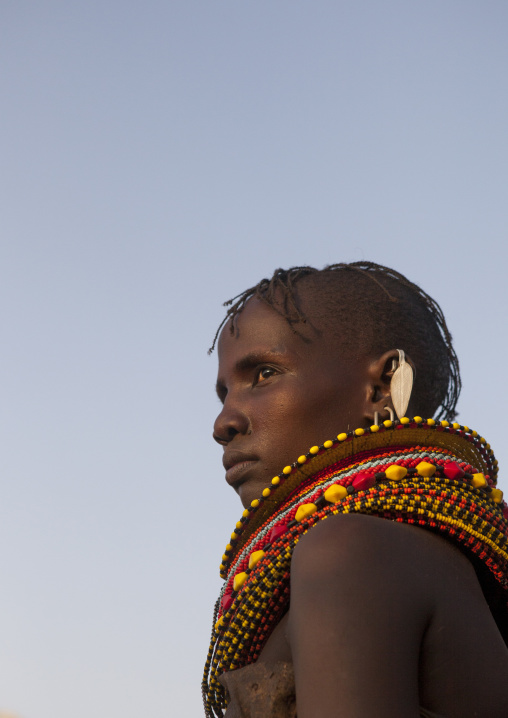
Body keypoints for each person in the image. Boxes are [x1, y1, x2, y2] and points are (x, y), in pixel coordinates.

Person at [202, 262, 508, 718]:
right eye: (224, 392)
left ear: (381, 388)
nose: (223, 423)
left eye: (264, 374)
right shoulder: (429, 566)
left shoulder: (351, 551)